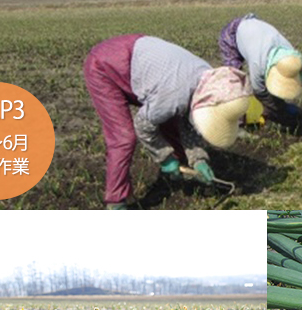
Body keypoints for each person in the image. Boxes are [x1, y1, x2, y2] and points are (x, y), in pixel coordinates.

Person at [84, 34, 251, 209]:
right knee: (123, 138)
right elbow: (143, 126)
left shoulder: (210, 80)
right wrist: (164, 157)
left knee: (170, 119)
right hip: (106, 65)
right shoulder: (175, 94)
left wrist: (198, 159)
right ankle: (116, 202)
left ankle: (183, 170)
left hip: (142, 64)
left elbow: (187, 117)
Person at [219, 14, 302, 134]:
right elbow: (260, 92)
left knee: (274, 98)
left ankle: (296, 113)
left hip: (255, 32)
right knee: (235, 83)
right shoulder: (258, 63)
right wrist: (273, 110)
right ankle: (237, 125)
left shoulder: (289, 57)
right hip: (232, 35)